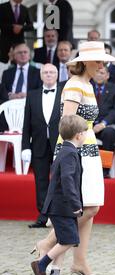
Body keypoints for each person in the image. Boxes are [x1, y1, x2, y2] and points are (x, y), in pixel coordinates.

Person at [33, 41, 115, 275]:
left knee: (91, 205)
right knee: (85, 207)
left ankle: (79, 261)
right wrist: (71, 155)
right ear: (85, 62)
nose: (102, 65)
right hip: (76, 152)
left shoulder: (87, 85)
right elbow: (67, 124)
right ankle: (49, 245)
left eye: (104, 62)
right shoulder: (74, 85)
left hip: (88, 149)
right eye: (99, 61)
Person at [31, 114, 88, 275]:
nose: (86, 135)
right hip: (62, 206)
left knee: (62, 241)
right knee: (69, 240)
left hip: (60, 206)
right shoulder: (70, 154)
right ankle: (41, 264)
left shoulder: (65, 151)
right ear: (78, 135)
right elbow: (67, 180)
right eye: (85, 132)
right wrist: (76, 205)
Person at [22, 64, 62, 229]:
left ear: (57, 75)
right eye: (45, 72)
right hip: (38, 144)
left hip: (59, 142)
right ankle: (43, 217)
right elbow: (26, 124)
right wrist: (25, 146)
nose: (48, 75)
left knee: (61, 180)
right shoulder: (32, 95)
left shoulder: (64, 94)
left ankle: (60, 216)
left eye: (52, 72)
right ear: (40, 76)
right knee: (40, 181)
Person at [0, 43, 42, 131]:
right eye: (19, 53)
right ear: (14, 56)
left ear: (29, 56)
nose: (23, 54)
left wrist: (27, 95)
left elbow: (40, 90)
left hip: (29, 104)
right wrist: (10, 95)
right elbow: (3, 90)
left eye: (25, 52)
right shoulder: (7, 73)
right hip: (10, 104)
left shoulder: (37, 72)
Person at [91, 66, 115, 178]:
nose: (99, 75)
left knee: (108, 134)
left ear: (107, 75)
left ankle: (105, 169)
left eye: (102, 72)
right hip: (89, 124)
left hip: (108, 125)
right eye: (96, 72)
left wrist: (103, 124)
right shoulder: (86, 87)